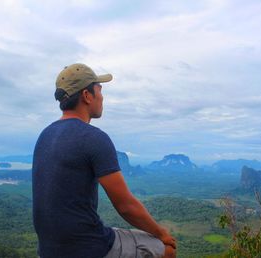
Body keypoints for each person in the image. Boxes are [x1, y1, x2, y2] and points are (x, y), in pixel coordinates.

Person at [32, 63, 176, 258]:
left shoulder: (45, 135)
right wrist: (162, 233)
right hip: (88, 249)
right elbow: (125, 206)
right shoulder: (93, 138)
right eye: (99, 90)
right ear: (87, 95)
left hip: (49, 251)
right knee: (165, 249)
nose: (102, 97)